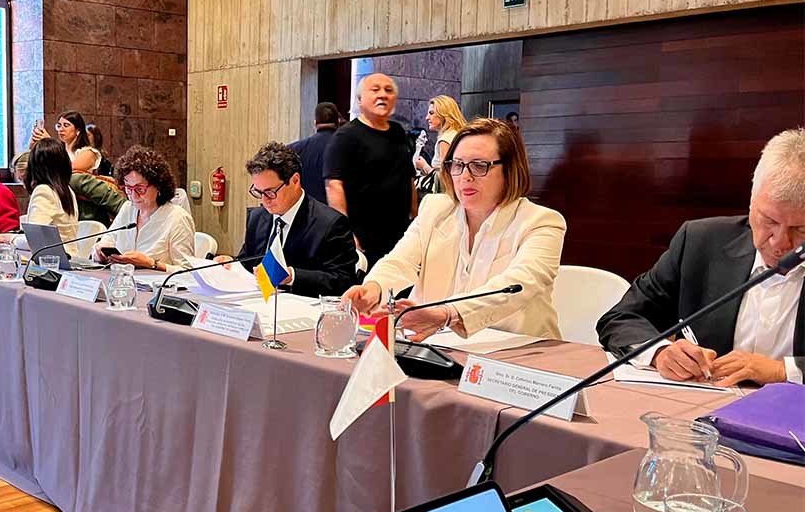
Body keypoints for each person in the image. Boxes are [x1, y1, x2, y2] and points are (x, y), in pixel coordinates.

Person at [597, 127, 805, 386]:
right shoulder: (701, 242)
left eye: (801, 229)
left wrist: (783, 370)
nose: (780, 242)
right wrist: (660, 352)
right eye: (769, 220)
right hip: (702, 411)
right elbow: (621, 318)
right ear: (751, 202)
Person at [343, 118, 566, 340]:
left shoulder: (542, 222)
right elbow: (401, 261)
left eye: (479, 166)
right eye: (457, 165)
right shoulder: (435, 209)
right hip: (437, 346)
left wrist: (448, 315)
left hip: (517, 356)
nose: (464, 177)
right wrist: (373, 289)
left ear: (509, 170)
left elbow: (517, 285)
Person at [215, 142, 358, 298]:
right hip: (258, 306)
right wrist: (232, 263)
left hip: (304, 310)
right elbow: (249, 262)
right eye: (258, 192)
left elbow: (344, 281)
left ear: (295, 181)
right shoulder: (257, 218)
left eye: (270, 192)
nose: (264, 201)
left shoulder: (330, 224)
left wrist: (292, 276)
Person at [323, 72, 417, 267]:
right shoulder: (346, 136)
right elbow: (334, 185)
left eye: (388, 90)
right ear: (359, 100)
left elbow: (408, 177)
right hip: (364, 239)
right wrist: (346, 232)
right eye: (375, 90)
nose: (382, 95)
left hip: (401, 236)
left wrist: (416, 220)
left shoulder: (399, 132)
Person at [92, 145, 195, 272]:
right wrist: (100, 252)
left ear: (158, 186)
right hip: (122, 284)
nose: (133, 196)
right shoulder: (128, 208)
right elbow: (106, 242)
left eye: (140, 189)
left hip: (158, 289)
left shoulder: (177, 218)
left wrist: (151, 263)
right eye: (128, 188)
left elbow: (188, 272)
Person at [0, 138, 80, 254]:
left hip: (53, 263)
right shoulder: (67, 190)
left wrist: (7, 238)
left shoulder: (44, 191)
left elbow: (34, 241)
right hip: (68, 258)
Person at [12, 150, 124, 225]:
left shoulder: (75, 180)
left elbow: (119, 204)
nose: (24, 185)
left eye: (24, 179)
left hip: (96, 237)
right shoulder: (45, 189)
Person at [289, 102, 344, 203]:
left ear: (315, 123)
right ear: (338, 121)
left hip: (306, 213)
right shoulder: (349, 147)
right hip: (338, 214)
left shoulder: (294, 149)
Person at [414, 95, 468, 189]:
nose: (427, 117)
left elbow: (446, 178)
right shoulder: (457, 135)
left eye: (431, 113)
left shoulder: (445, 140)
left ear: (443, 114)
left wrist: (424, 166)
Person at [31, 111, 101, 173]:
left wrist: (50, 142)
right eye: (59, 126)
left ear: (78, 130)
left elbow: (69, 169)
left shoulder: (88, 152)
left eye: (66, 125)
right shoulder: (60, 149)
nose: (61, 129)